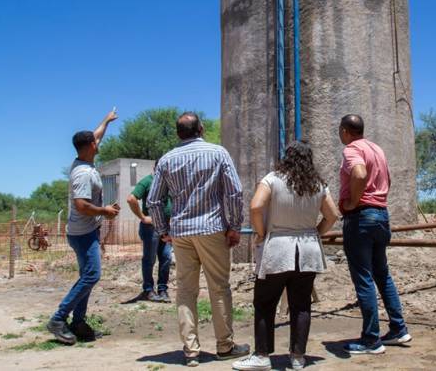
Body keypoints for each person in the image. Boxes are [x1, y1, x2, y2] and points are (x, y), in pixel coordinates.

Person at [147, 112, 249, 367]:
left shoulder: (167, 160)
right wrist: (235, 226)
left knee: (185, 291)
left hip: (181, 233)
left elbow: (153, 200)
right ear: (201, 129)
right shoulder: (218, 153)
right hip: (212, 228)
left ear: (178, 133)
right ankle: (225, 345)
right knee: (219, 287)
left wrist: (162, 230)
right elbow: (234, 192)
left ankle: (191, 351)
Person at [232, 141, 339, 371]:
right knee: (301, 305)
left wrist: (261, 233)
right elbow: (332, 215)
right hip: (308, 249)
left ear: (286, 157)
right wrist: (315, 233)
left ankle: (262, 355)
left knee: (264, 302)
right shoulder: (318, 184)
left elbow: (255, 207)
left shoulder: (272, 178)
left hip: (277, 248)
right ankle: (298, 357)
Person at [337, 114, 410, 355]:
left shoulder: (352, 149)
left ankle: (371, 339)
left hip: (361, 217)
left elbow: (358, 174)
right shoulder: (376, 148)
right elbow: (388, 178)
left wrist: (352, 202)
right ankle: (398, 328)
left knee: (364, 278)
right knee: (382, 274)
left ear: (345, 131)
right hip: (381, 215)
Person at [47, 109, 120, 344]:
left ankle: (78, 322)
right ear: (89, 145)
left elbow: (96, 135)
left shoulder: (85, 159)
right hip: (83, 233)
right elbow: (80, 205)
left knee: (87, 276)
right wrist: (104, 211)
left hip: (85, 232)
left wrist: (107, 121)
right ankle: (58, 319)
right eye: (95, 142)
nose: (99, 143)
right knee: (91, 275)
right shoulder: (82, 174)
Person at [127, 163, 173, 303]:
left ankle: (163, 290)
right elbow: (131, 198)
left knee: (166, 258)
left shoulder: (168, 183)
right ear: (157, 168)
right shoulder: (147, 181)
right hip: (150, 228)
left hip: (166, 227)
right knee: (149, 259)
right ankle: (148, 290)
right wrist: (142, 217)